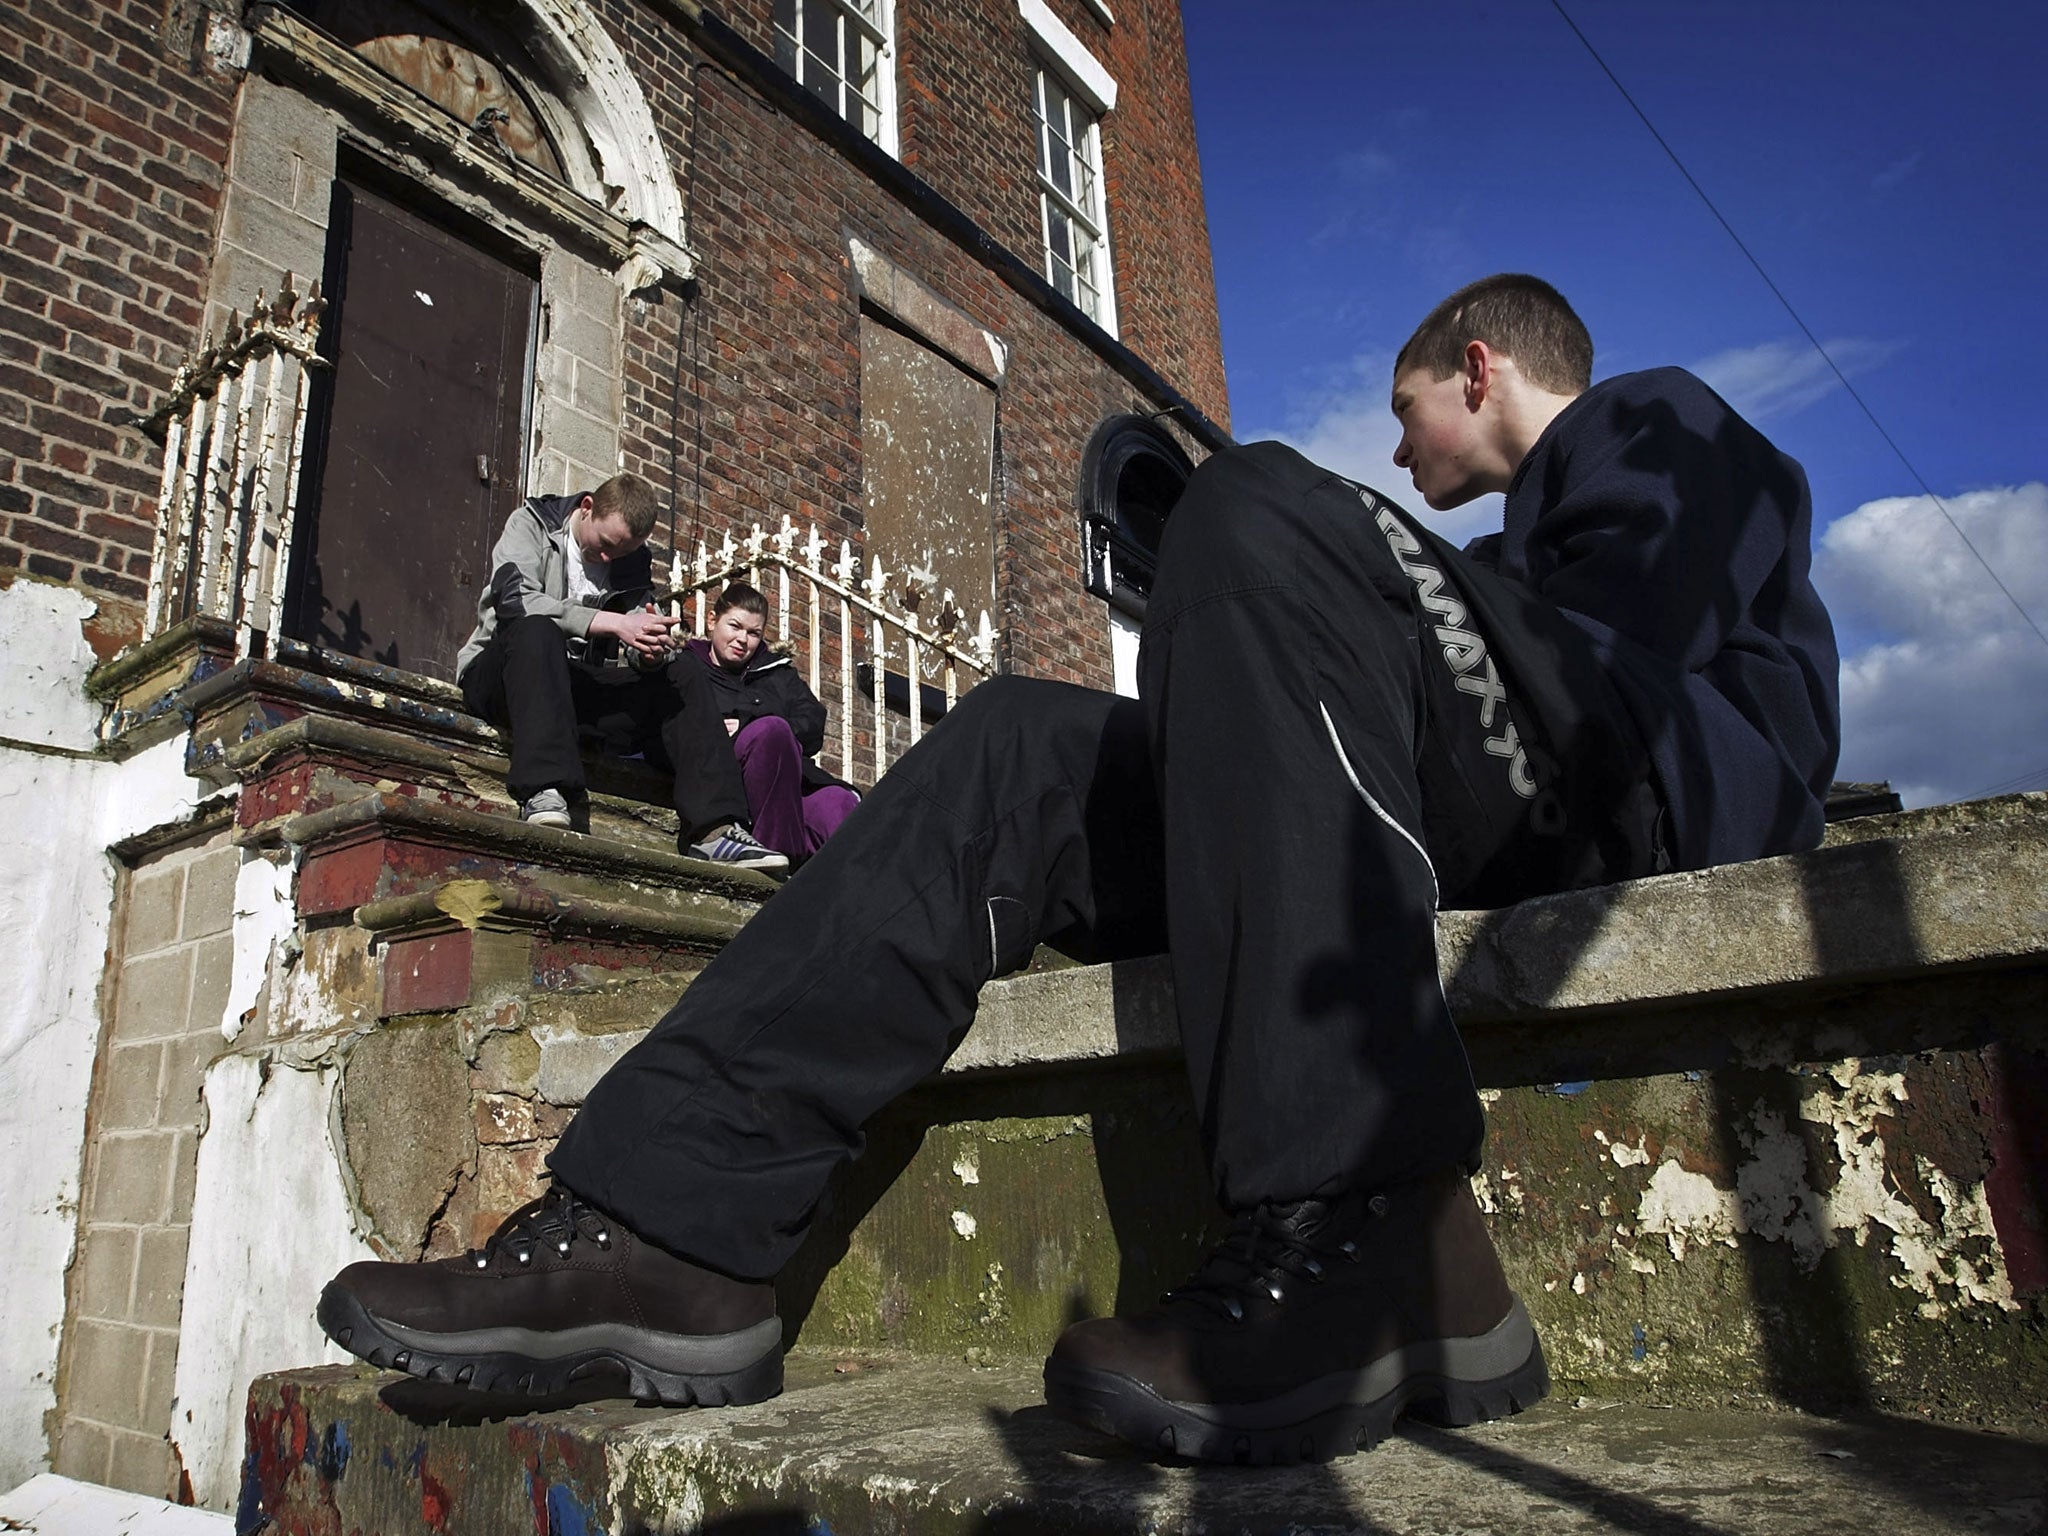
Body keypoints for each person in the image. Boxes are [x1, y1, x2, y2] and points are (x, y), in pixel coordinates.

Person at [321, 277, 1838, 1464]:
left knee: (1256, 499)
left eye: (1408, 411)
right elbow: (1422, 662)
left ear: (1481, 370)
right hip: (1423, 795)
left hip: (1633, 784)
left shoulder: (1664, 423)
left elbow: (1633, 661)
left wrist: (1289, 559)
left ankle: (1369, 1221)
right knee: (1020, 746)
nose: (1401, 446)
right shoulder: (1496, 562)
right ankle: (668, 1227)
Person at [455, 473, 788, 872]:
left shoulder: (629, 563)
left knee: (680, 669)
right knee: (537, 628)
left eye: (626, 550)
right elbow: (516, 602)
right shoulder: (530, 524)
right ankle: (544, 789)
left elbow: (636, 634)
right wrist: (611, 623)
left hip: (570, 692)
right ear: (588, 508)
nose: (611, 558)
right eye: (607, 545)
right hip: (501, 676)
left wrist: (648, 651)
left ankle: (716, 830)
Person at [683, 582, 860, 861]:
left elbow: (812, 723)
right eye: (735, 626)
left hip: (791, 778)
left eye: (754, 633)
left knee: (841, 803)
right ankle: (778, 857)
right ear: (712, 621)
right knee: (772, 731)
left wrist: (747, 720)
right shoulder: (688, 666)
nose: (743, 639)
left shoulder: (777, 673)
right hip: (724, 777)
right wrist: (755, 728)